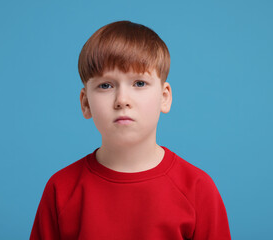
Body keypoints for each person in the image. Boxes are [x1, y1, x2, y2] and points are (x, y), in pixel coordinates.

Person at [30, 20, 231, 240]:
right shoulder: (61, 190)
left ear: (164, 97)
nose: (122, 100)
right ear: (85, 103)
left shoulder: (198, 189)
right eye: (106, 85)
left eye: (139, 83)